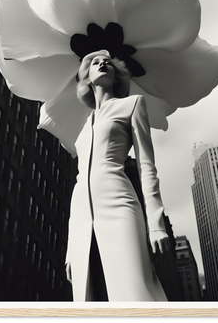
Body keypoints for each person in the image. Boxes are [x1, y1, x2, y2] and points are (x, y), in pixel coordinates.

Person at [65, 49, 171, 301]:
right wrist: (71, 247)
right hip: (81, 217)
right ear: (87, 78)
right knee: (91, 298)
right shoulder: (83, 126)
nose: (102, 64)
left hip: (120, 205)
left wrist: (156, 224)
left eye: (108, 64)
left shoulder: (132, 104)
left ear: (116, 77)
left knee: (135, 290)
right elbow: (80, 181)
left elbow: (147, 165)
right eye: (95, 63)